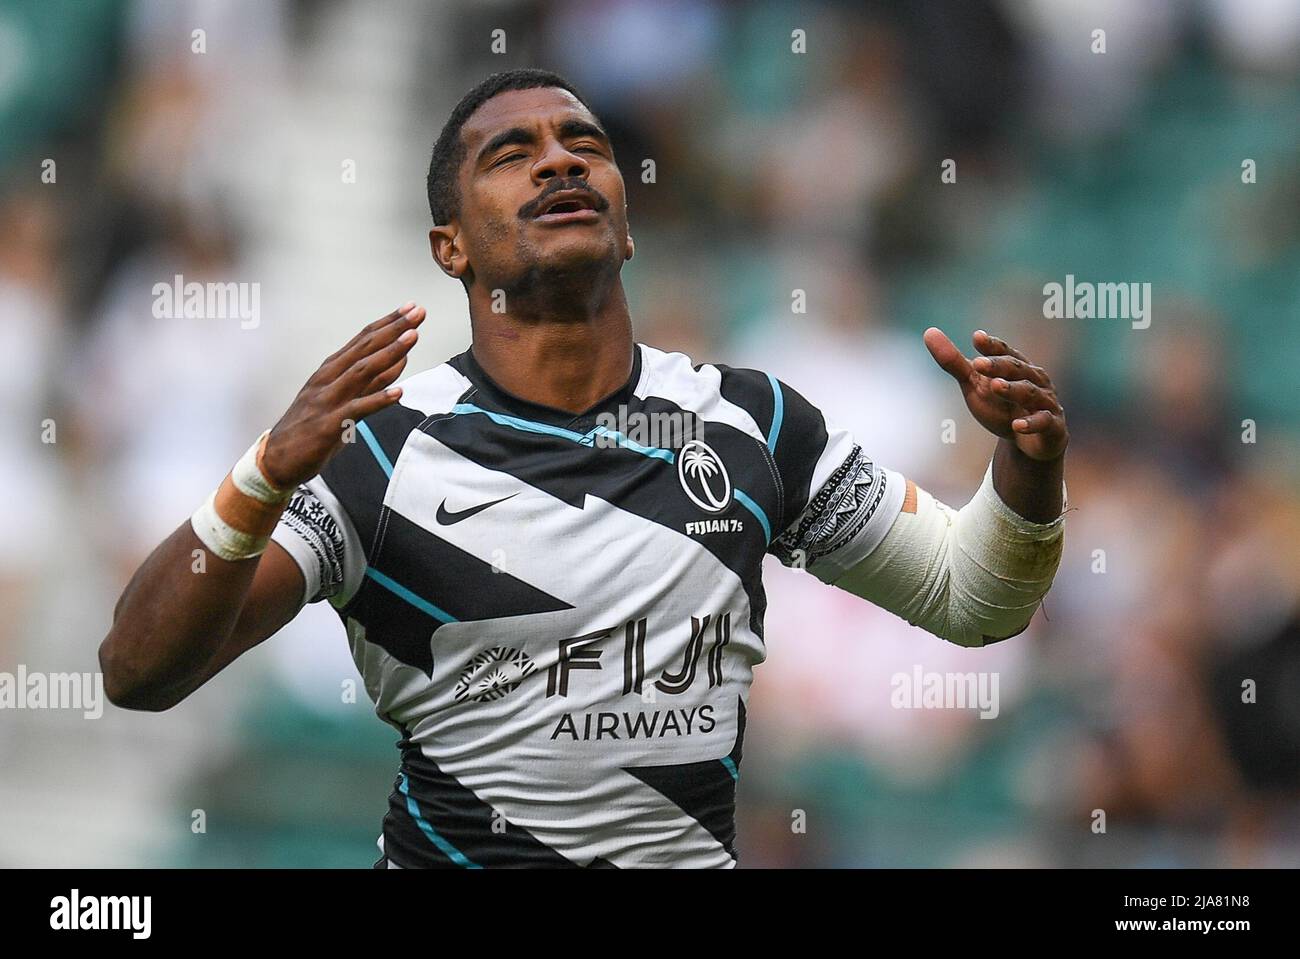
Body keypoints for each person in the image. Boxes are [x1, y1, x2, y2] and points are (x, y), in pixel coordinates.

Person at [99, 69, 1069, 868]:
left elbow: (971, 597)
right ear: (451, 246)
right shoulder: (376, 453)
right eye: (511, 155)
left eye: (585, 146)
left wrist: (1026, 468)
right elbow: (137, 671)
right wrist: (264, 473)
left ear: (625, 221)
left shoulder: (755, 424)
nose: (559, 159)